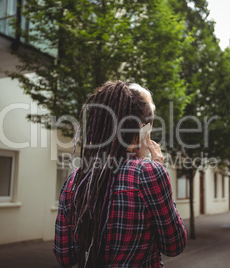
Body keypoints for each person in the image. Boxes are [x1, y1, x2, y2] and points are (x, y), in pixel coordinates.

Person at [53, 81, 186, 267]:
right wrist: (158, 167)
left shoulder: (75, 181)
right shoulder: (150, 174)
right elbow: (174, 245)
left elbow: (64, 257)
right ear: (143, 129)